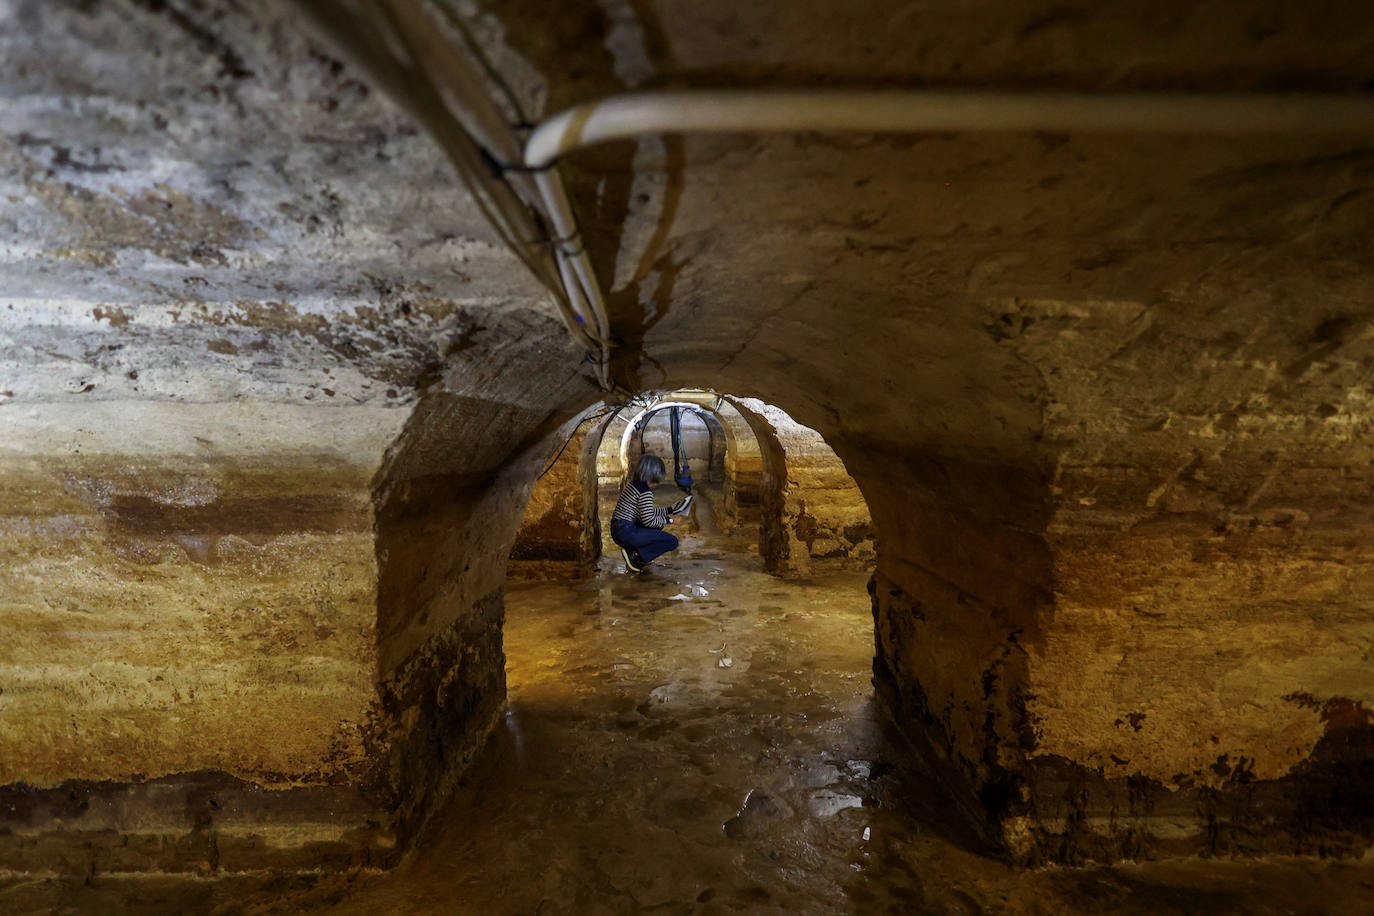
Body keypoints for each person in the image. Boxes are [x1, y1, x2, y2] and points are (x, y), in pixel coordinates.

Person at [611, 454, 689, 572]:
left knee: (659, 524)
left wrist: (670, 510)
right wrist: (671, 520)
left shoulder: (634, 485)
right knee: (672, 541)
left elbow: (645, 512)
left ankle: (636, 551)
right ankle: (636, 556)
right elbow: (649, 520)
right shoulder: (645, 492)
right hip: (627, 533)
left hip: (619, 529)